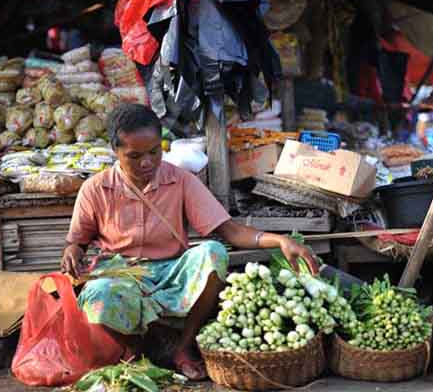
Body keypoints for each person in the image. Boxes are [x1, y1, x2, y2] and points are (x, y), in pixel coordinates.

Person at [61, 103, 319, 380]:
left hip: (172, 271)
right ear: (116, 152)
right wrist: (72, 251)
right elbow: (78, 241)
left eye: (154, 152)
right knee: (99, 293)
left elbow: (230, 231)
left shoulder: (180, 180)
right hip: (122, 275)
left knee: (213, 252)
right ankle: (135, 350)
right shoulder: (96, 188)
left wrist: (279, 241)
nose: (147, 163)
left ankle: (182, 348)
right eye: (134, 156)